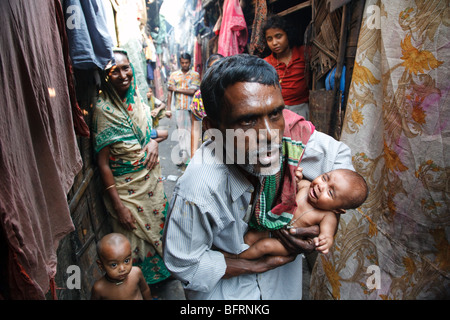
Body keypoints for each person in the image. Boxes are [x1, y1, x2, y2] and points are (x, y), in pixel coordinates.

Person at [162, 54, 355, 300]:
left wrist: (322, 220)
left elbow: (340, 161)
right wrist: (257, 264)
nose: (270, 135)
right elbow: (183, 263)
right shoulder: (199, 187)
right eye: (247, 119)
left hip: (282, 288)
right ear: (212, 128)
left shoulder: (292, 134)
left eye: (275, 114)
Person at [92, 49, 171, 286]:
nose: (122, 74)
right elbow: (103, 163)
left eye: (125, 67)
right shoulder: (103, 110)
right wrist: (118, 206)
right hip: (126, 192)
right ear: (106, 76)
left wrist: (153, 142)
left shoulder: (138, 100)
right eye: (114, 71)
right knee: (133, 239)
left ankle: (163, 279)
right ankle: (141, 286)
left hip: (150, 184)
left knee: (160, 230)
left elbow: (148, 134)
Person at [224, 168, 368, 260]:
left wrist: (326, 241)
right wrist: (294, 175)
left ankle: (236, 258)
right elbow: (289, 183)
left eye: (330, 192)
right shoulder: (305, 186)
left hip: (284, 242)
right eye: (324, 177)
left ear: (338, 210)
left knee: (265, 246)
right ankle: (234, 251)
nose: (320, 186)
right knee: (249, 237)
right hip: (272, 226)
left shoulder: (327, 216)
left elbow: (327, 235)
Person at [263, 15, 309, 119]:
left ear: (288, 35)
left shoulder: (304, 53)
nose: (274, 43)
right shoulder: (266, 63)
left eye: (278, 36)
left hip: (302, 108)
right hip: (278, 111)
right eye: (269, 39)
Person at [91, 233, 152, 300]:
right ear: (101, 265)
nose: (122, 269)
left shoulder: (136, 273)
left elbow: (145, 290)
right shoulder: (99, 288)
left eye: (126, 261)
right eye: (114, 265)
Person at [167, 53, 200, 166]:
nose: (185, 65)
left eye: (187, 63)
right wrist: (168, 109)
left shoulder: (195, 75)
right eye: (182, 63)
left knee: (191, 133)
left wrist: (176, 88)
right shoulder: (174, 75)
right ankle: (184, 157)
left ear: (190, 62)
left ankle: (191, 156)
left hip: (192, 109)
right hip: (180, 108)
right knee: (181, 133)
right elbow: (169, 92)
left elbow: (192, 91)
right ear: (180, 62)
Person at [190, 53, 224, 157]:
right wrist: (193, 156)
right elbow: (196, 128)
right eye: (211, 68)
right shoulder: (199, 97)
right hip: (209, 150)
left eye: (219, 67)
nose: (215, 71)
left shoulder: (234, 93)